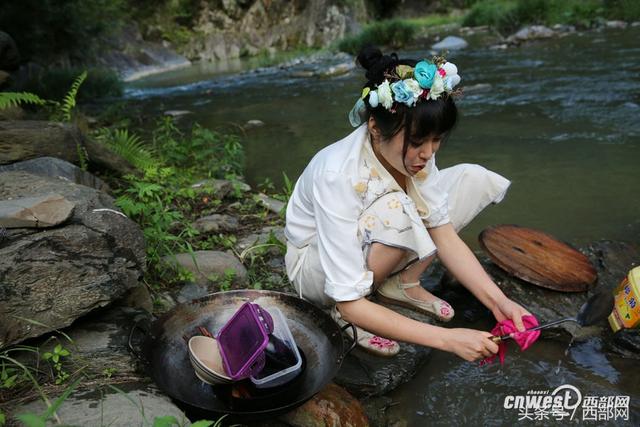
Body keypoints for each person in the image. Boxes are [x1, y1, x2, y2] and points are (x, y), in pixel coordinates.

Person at [284, 46, 530, 361]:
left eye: (436, 139)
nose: (428, 153)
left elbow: (443, 233)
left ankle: (402, 281)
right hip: (315, 267)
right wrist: (449, 340)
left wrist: (499, 302)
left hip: (373, 238)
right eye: (417, 143)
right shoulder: (337, 174)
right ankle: (347, 319)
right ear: (374, 127)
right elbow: (348, 298)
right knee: (399, 209)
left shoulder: (417, 156)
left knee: (471, 178)